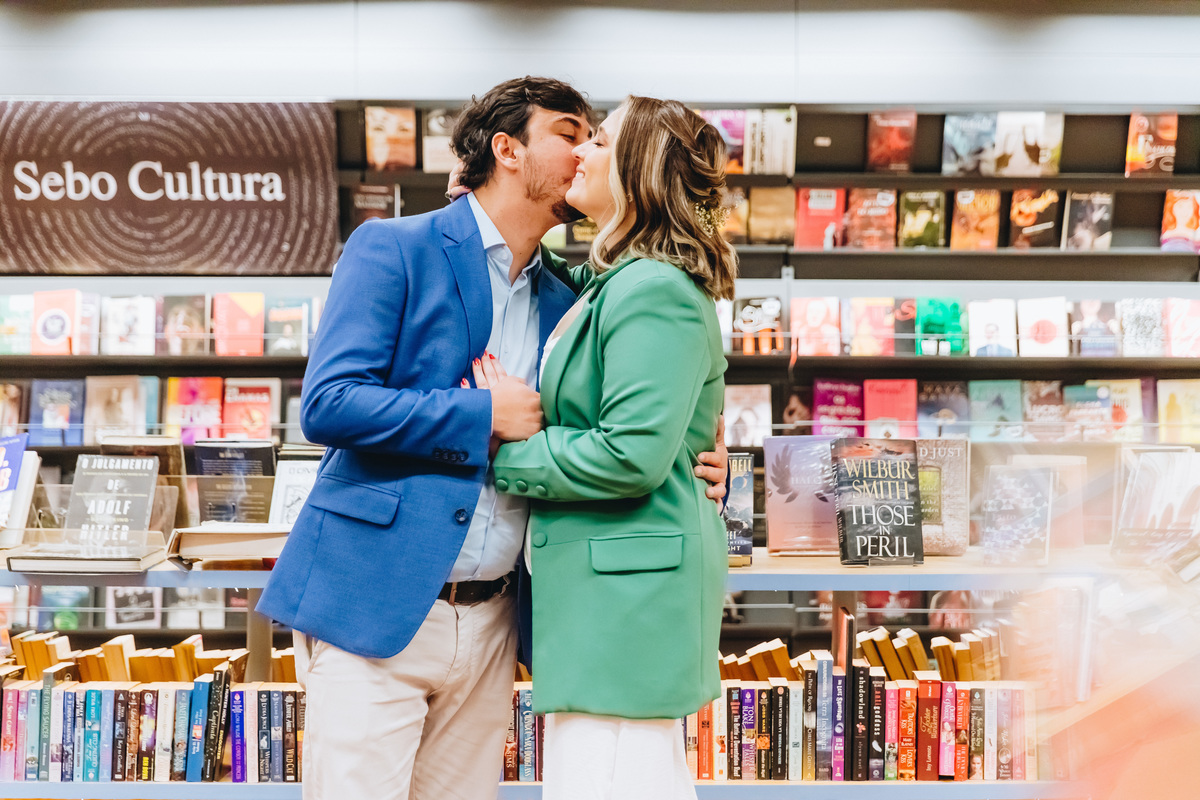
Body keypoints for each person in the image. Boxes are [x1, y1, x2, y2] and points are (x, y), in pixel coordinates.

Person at [255, 77, 727, 800]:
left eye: (596, 139)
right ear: (507, 150)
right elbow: (329, 403)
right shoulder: (394, 246)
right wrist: (482, 417)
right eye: (569, 134)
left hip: (497, 616)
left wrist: (699, 457)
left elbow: (639, 409)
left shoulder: (575, 292)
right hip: (377, 597)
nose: (583, 153)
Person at [468, 95, 736, 800]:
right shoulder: (619, 281)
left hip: (626, 601)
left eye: (601, 141)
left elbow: (629, 454)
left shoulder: (654, 290)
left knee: (609, 776)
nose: (581, 152)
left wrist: (499, 449)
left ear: (639, 167)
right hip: (609, 597)